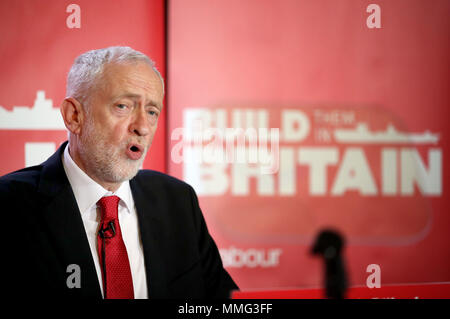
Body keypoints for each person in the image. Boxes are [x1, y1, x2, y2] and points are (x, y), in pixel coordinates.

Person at [0, 46, 238, 299]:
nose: (142, 128)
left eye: (151, 111)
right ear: (74, 116)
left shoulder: (178, 201)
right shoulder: (9, 205)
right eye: (123, 106)